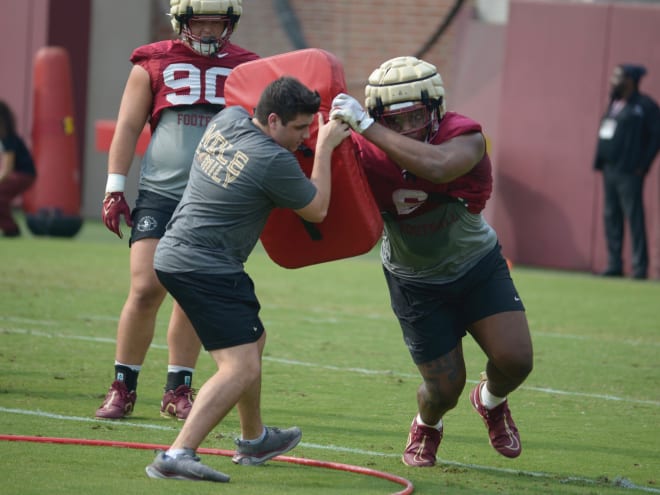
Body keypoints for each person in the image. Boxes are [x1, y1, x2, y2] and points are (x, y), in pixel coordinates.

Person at [144, 76, 351, 481]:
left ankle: (254, 439)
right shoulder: (273, 161)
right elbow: (318, 209)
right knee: (240, 367)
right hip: (207, 265)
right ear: (273, 120)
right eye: (297, 129)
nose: (304, 137)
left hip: (177, 253)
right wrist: (325, 148)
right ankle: (176, 455)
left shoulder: (228, 119)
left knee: (252, 342)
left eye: (310, 130)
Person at [330, 56, 533, 466]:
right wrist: (328, 138)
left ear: (436, 108)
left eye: (416, 115)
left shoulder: (465, 136)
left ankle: (491, 400)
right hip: (414, 279)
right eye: (394, 120)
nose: (406, 128)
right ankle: (427, 424)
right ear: (377, 117)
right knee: (444, 389)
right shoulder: (363, 151)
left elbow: (438, 167)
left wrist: (368, 128)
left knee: (516, 360)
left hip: (476, 265)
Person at [96, 0, 259, 420]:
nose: (207, 30)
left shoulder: (250, 68)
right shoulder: (152, 61)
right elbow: (129, 126)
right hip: (161, 192)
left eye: (216, 22)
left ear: (230, 24)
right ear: (181, 22)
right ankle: (122, 385)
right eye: (199, 21)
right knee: (146, 286)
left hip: (214, 200)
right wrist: (115, 187)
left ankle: (177, 388)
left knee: (190, 290)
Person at [593, 63, 660, 280]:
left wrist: (643, 165)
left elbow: (656, 137)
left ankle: (639, 267)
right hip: (610, 169)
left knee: (634, 216)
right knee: (611, 215)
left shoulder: (645, 106)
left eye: (618, 77)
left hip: (630, 171)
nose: (613, 81)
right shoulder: (614, 103)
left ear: (630, 80)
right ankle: (614, 263)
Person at [0, 101, 37, 237]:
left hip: (24, 174)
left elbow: (7, 170)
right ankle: (9, 227)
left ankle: (10, 228)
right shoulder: (7, 138)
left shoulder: (8, 139)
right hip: (23, 174)